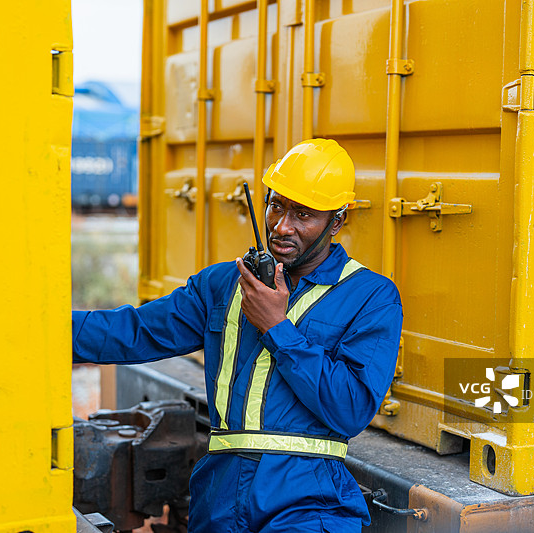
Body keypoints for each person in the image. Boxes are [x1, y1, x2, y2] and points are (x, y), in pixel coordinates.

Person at [73, 138, 403, 532]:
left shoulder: (370, 296)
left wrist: (277, 328)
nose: (282, 226)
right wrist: (32, 328)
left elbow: (349, 408)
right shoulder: (222, 284)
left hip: (308, 502)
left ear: (336, 222)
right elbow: (131, 332)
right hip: (219, 498)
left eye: (303, 214)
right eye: (276, 205)